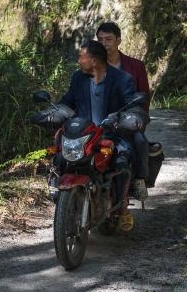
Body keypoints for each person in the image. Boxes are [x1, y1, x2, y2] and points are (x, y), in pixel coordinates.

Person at [54, 40, 137, 227]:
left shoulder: (123, 80)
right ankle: (58, 193)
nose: (78, 61)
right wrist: (54, 112)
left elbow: (132, 105)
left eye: (81, 57)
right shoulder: (78, 78)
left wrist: (123, 119)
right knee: (59, 157)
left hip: (111, 134)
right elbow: (67, 101)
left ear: (94, 61)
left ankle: (122, 206)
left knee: (121, 160)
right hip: (84, 134)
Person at [96, 21, 151, 201]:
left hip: (128, 118)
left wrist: (138, 120)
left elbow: (143, 98)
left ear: (118, 40)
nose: (104, 43)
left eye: (109, 39)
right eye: (100, 39)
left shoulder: (135, 66)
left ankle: (139, 180)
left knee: (140, 141)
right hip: (100, 120)